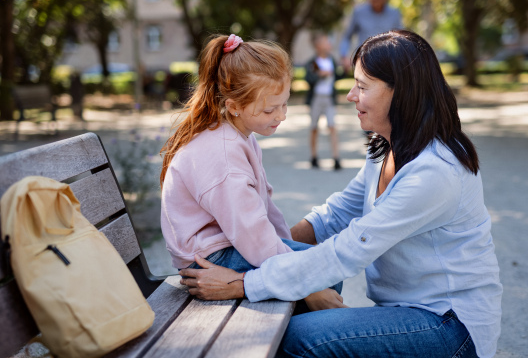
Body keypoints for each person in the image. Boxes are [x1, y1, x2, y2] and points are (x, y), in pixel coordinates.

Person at [179, 29, 503, 358]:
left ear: (400, 93)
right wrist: (268, 249)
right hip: (410, 312)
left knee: (297, 336)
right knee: (296, 301)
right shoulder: (389, 147)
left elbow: (349, 250)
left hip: (449, 326)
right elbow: (335, 215)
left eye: (362, 86)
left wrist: (241, 283)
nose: (350, 95)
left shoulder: (434, 172)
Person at [160, 34, 342, 310]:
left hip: (228, 245)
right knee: (324, 276)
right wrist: (302, 283)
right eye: (270, 109)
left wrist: (288, 246)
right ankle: (299, 341)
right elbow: (252, 232)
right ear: (233, 106)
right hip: (211, 260)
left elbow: (265, 209)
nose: (281, 116)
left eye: (285, 103)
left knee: (323, 270)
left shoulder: (239, 134)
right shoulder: (223, 155)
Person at [339, 0, 402, 72]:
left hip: (387, 63)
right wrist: (344, 56)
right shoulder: (359, 13)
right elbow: (347, 37)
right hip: (364, 61)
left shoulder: (394, 13)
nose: (375, 2)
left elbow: (400, 38)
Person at [304, 33, 343, 170]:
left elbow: (337, 76)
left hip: (329, 98)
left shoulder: (331, 60)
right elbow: (308, 79)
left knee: (332, 126)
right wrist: (320, 75)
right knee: (314, 127)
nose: (329, 44)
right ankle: (314, 156)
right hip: (316, 98)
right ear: (318, 46)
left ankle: (336, 157)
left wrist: (344, 69)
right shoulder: (312, 63)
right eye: (326, 42)